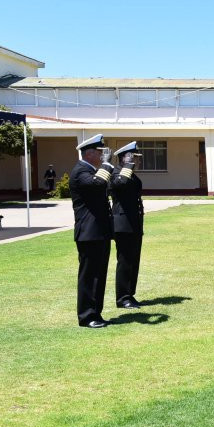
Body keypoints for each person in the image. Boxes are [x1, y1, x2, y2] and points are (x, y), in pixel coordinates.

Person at [69, 134, 115, 329]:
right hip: (89, 233)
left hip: (99, 232)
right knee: (89, 276)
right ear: (89, 154)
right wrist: (106, 166)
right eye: (99, 152)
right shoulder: (80, 171)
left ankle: (96, 312)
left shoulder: (91, 170)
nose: (103, 155)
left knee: (99, 275)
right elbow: (97, 185)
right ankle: (87, 316)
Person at [110, 141, 144, 309]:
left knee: (134, 261)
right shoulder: (116, 173)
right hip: (122, 225)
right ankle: (122, 297)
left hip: (134, 224)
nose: (137, 161)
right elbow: (119, 185)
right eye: (134, 158)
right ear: (125, 158)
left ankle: (130, 294)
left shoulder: (131, 175)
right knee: (124, 261)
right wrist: (128, 167)